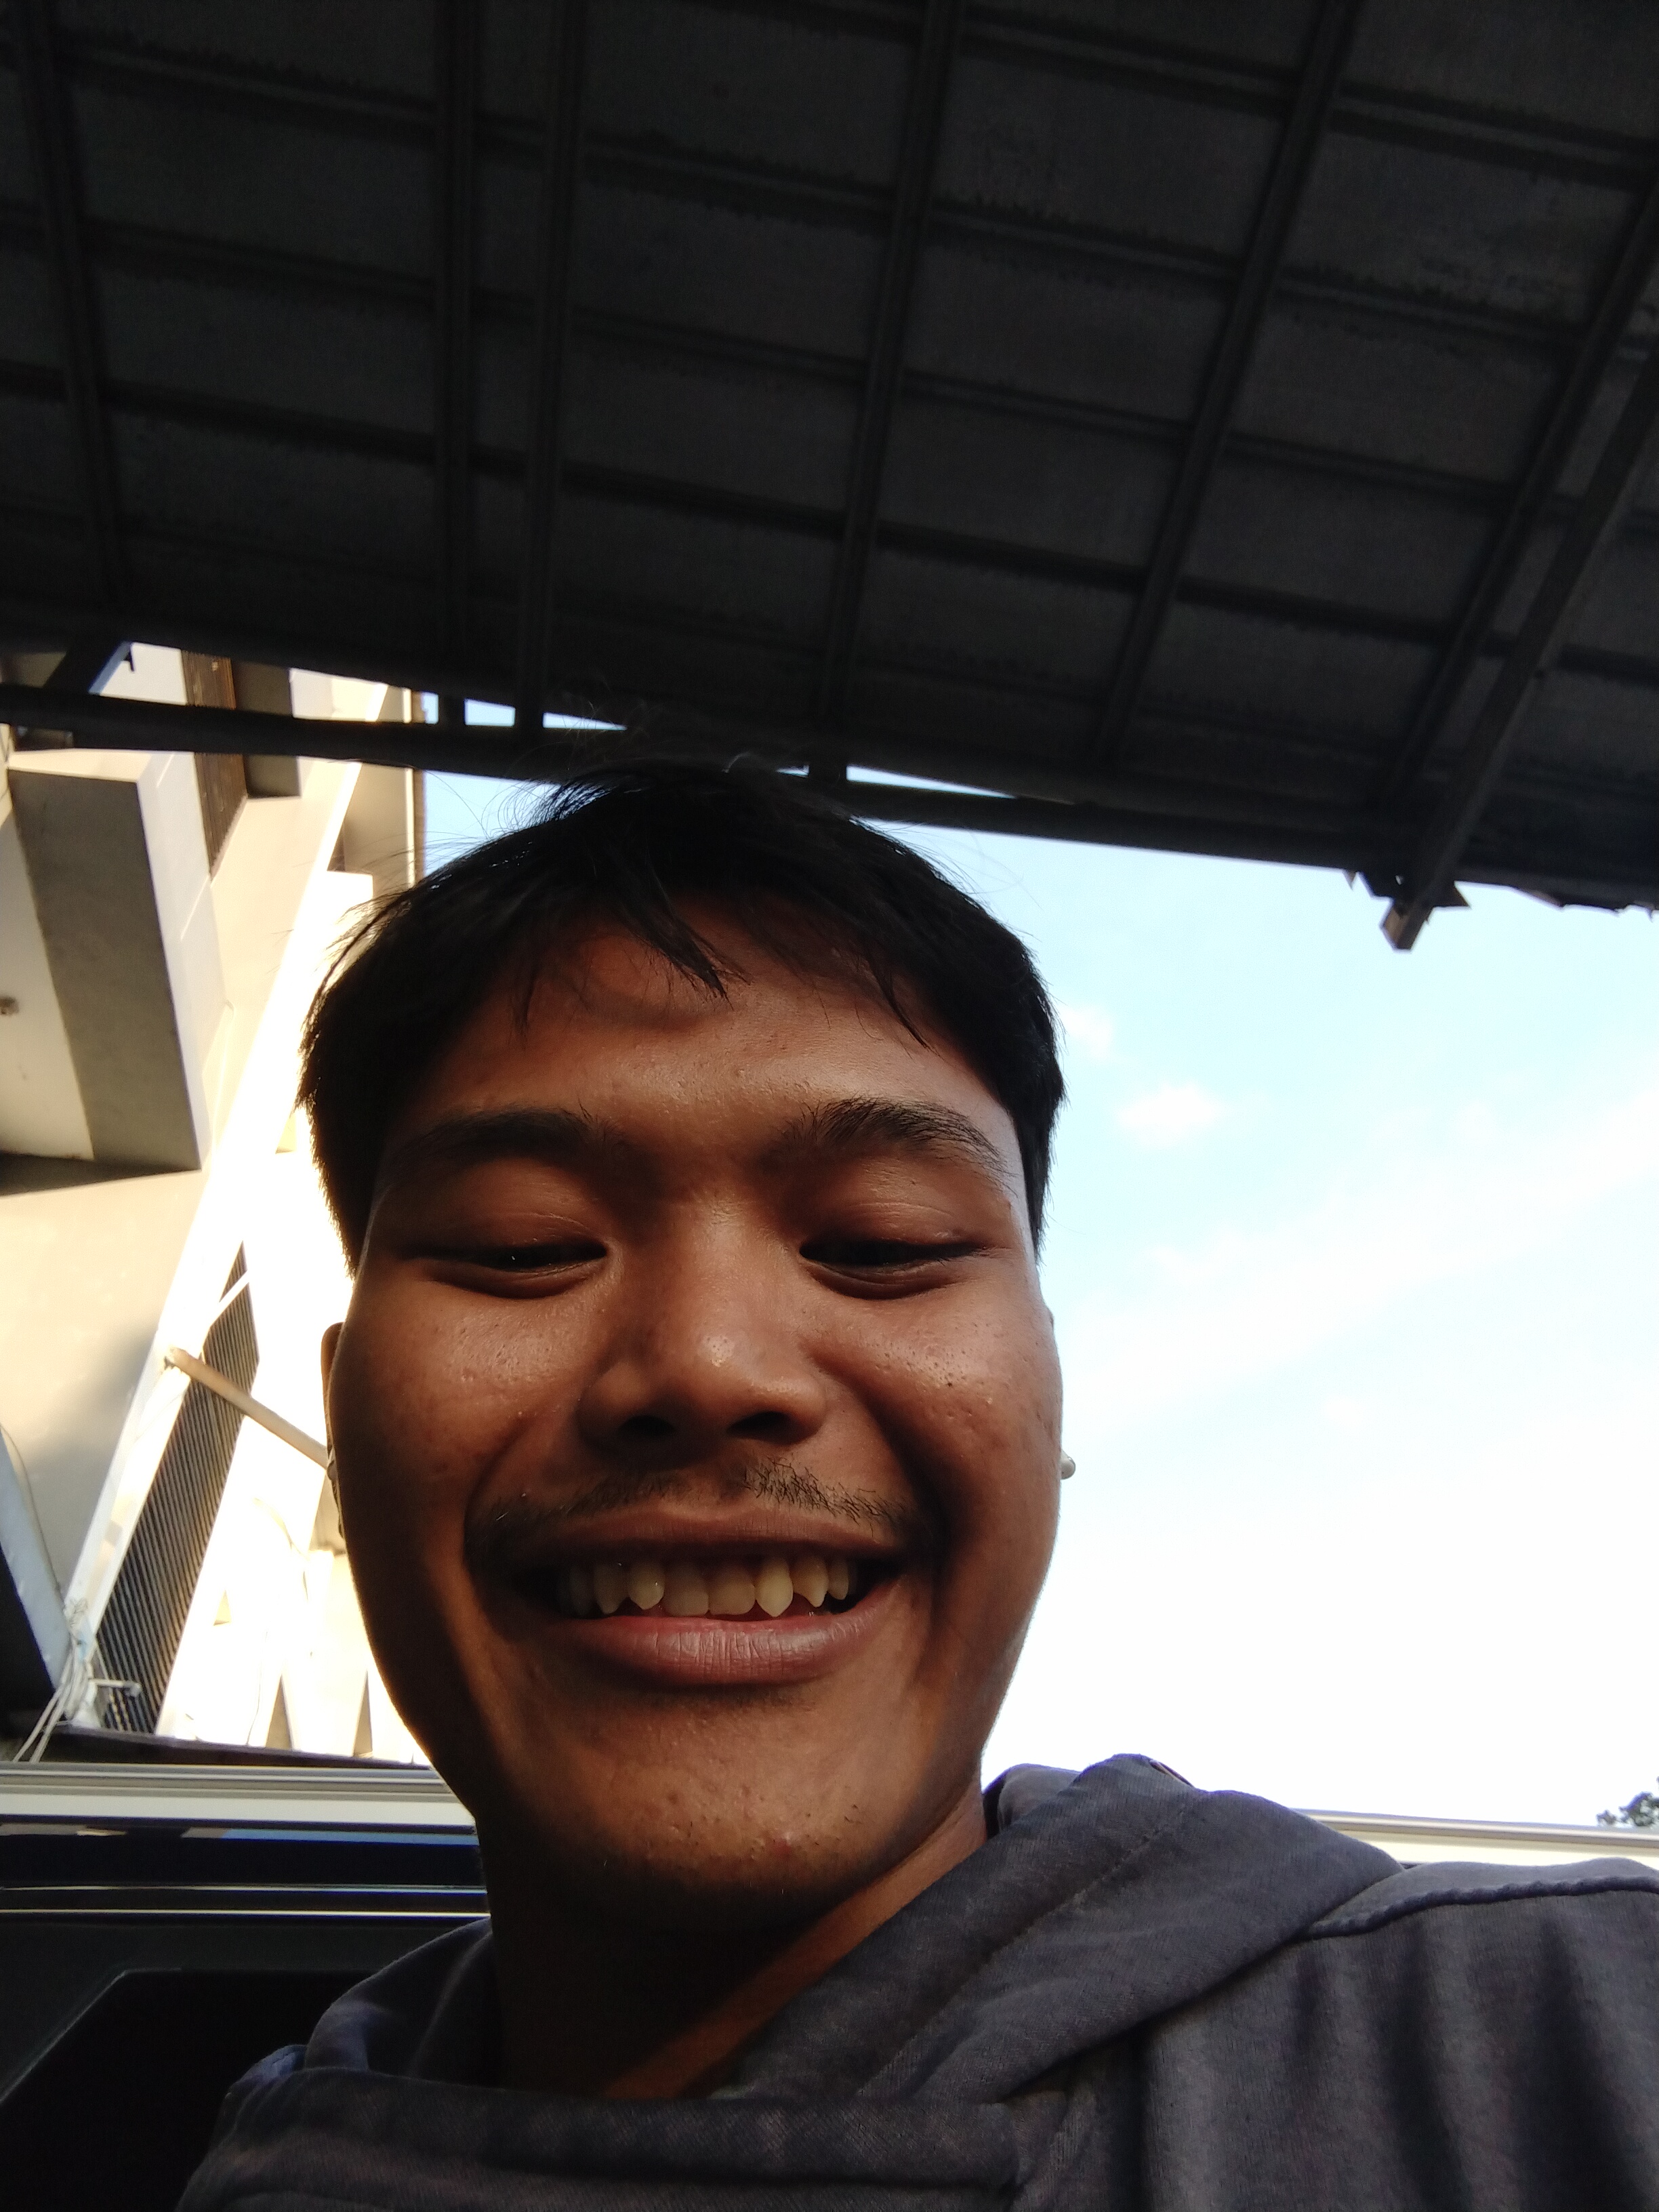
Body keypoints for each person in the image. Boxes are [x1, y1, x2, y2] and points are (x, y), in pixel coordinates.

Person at [183, 764, 1658, 2211]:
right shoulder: (180, 2143)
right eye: (525, 1246)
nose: (707, 1364)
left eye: (882, 1244)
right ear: (343, 1416)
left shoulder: (1570, 2046)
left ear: (1050, 1395)